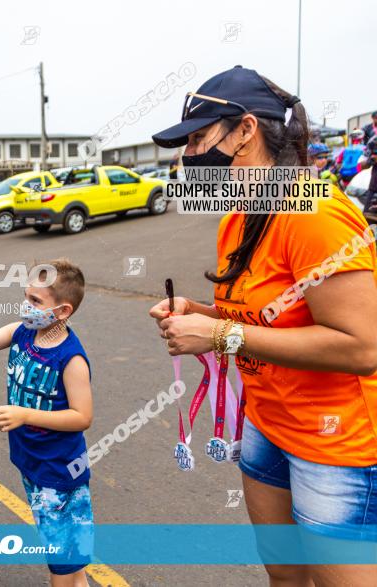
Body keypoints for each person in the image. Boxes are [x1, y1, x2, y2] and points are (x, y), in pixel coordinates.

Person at [151, 66, 377, 586]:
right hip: (267, 425)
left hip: (335, 445)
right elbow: (253, 318)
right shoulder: (240, 212)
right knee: (284, 574)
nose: (189, 155)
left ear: (246, 130)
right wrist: (200, 315)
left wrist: (221, 336)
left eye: (199, 138)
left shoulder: (314, 213)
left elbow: (361, 346)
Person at [0, 259, 93, 587]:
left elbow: (82, 417)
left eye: (36, 301)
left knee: (62, 570)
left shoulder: (71, 359)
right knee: (70, 563)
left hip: (59, 474)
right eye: (26, 296)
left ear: (63, 311)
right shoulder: (21, 333)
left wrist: (24, 415)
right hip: (32, 464)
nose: (27, 305)